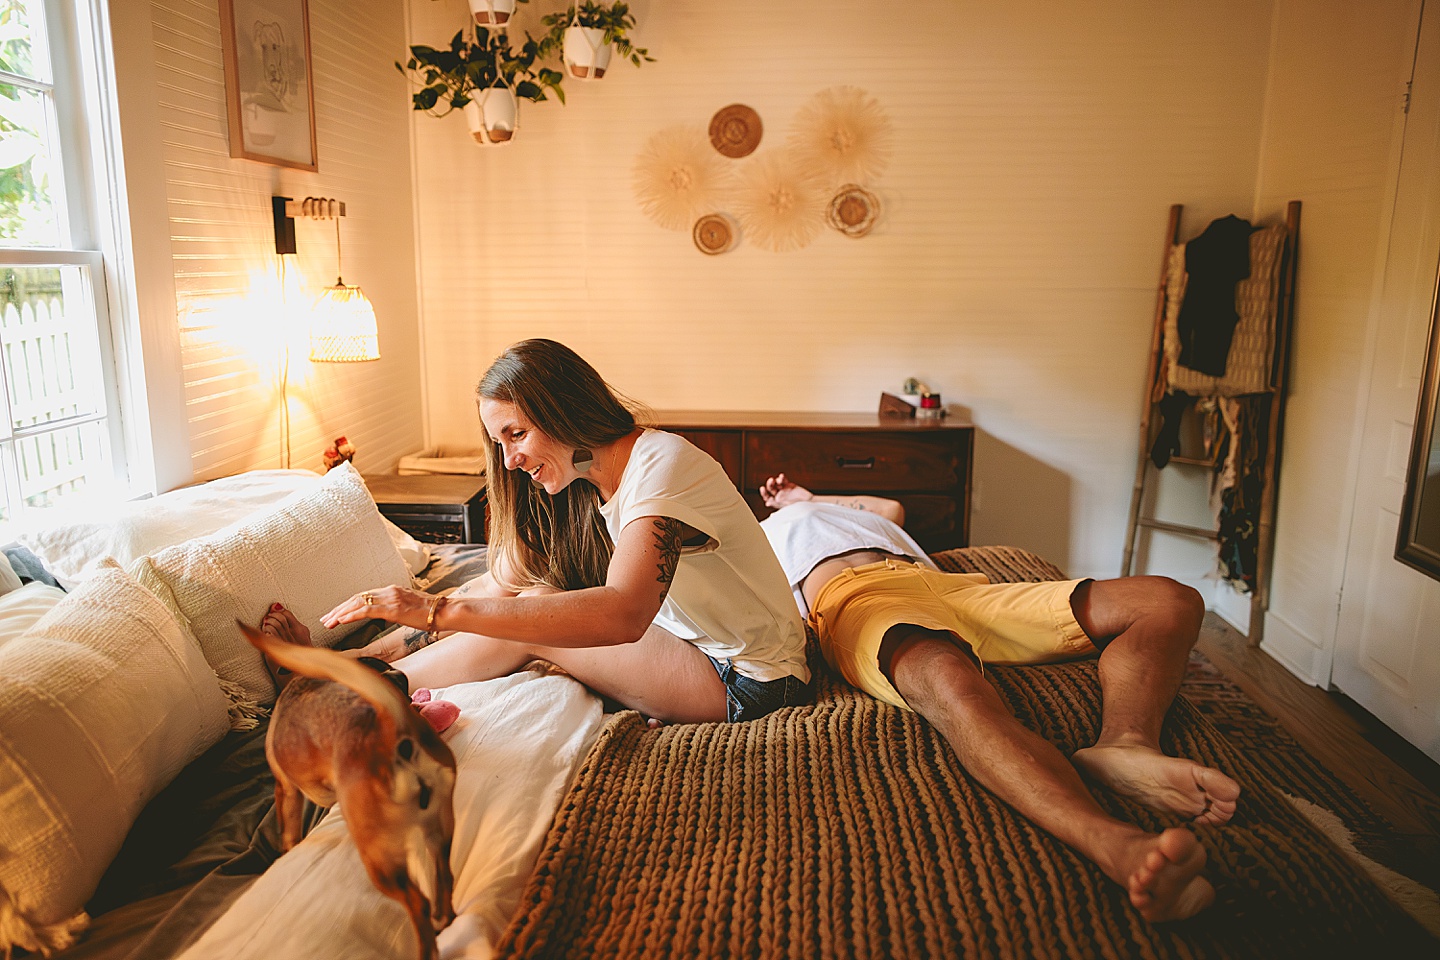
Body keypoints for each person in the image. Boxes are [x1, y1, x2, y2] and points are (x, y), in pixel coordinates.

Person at [755, 473, 1241, 923]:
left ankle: (1126, 744)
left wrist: (805, 497)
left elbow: (892, 506)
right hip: (855, 599)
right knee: (955, 684)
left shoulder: (850, 512)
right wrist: (776, 514)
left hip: (956, 588)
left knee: (1169, 600)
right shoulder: (757, 534)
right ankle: (1121, 847)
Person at [288, 339, 810, 725]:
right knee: (530, 598)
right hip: (705, 653)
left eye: (517, 434)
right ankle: (359, 671)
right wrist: (378, 642)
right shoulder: (598, 477)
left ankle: (354, 694)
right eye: (501, 443)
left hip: (758, 683)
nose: (511, 460)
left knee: (530, 627)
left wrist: (437, 611)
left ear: (562, 410)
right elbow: (504, 584)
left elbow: (623, 614)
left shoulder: (662, 468)